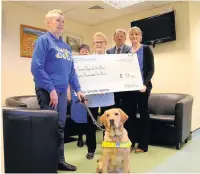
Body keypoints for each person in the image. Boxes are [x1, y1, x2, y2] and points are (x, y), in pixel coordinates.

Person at [31, 9, 85, 171]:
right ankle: (46, 162)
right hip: (48, 92)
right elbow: (36, 67)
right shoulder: (43, 40)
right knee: (49, 127)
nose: (61, 23)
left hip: (61, 93)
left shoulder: (66, 47)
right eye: (57, 20)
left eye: (62, 21)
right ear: (48, 23)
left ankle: (59, 161)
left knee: (60, 127)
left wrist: (78, 89)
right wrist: (51, 89)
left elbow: (71, 71)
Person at [122, 26, 155, 153]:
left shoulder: (146, 49)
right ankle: (131, 143)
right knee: (130, 117)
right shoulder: (127, 52)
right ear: (129, 37)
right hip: (130, 89)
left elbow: (151, 69)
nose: (134, 36)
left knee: (143, 116)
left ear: (140, 36)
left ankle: (143, 145)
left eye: (136, 34)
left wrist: (145, 84)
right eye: (132, 34)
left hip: (142, 88)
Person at [85, 32, 115, 160]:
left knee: (108, 123)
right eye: (96, 42)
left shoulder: (112, 59)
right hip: (91, 96)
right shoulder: (88, 60)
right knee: (90, 124)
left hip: (107, 96)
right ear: (93, 44)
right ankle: (91, 149)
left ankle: (107, 146)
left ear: (105, 44)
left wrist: (106, 87)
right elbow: (85, 77)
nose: (99, 44)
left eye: (101, 42)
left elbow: (114, 77)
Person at [67, 44, 90, 147]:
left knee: (88, 117)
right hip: (77, 93)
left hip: (90, 93)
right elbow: (69, 78)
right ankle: (80, 139)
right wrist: (68, 92)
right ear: (79, 52)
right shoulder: (73, 63)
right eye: (83, 51)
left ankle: (89, 139)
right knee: (79, 117)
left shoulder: (92, 62)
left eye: (86, 51)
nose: (85, 53)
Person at [106, 29, 132, 108]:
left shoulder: (130, 50)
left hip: (126, 85)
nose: (119, 38)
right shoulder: (108, 52)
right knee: (115, 109)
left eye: (121, 36)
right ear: (114, 38)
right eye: (117, 36)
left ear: (125, 38)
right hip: (114, 86)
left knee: (127, 109)